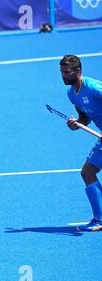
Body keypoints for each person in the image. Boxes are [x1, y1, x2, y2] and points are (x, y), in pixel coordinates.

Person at [61, 54, 102, 232]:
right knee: (87, 173)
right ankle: (99, 219)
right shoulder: (71, 94)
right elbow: (85, 118)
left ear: (78, 71)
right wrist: (76, 124)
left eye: (67, 72)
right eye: (61, 72)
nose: (63, 76)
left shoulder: (93, 87)